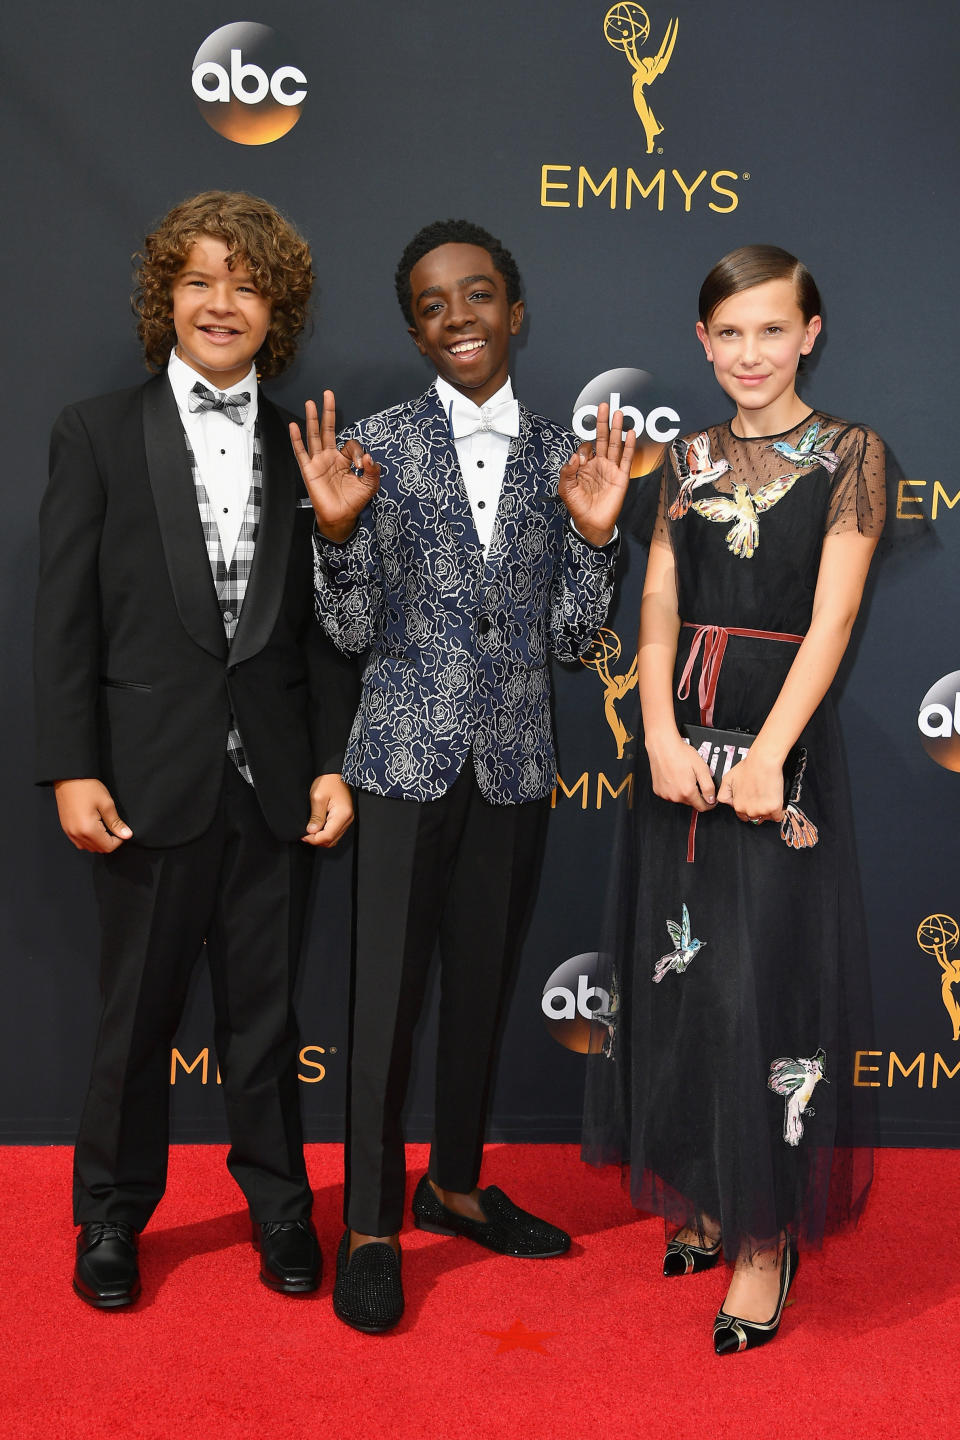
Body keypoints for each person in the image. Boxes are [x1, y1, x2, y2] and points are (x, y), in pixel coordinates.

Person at [290, 218, 635, 1333]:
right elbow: (346, 632)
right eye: (433, 305)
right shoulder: (373, 447)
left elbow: (581, 637)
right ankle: (376, 1227)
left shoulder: (562, 455)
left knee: (482, 992)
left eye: (478, 295)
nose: (459, 318)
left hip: (516, 764)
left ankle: (458, 1184)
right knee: (384, 1002)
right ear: (413, 327)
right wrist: (337, 535)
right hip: (398, 758)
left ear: (516, 310)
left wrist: (593, 539)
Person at [35, 191, 359, 1309]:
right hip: (141, 783)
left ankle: (280, 1207)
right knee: (136, 1018)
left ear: (280, 308)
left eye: (247, 283)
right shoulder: (95, 432)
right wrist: (73, 764)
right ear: (164, 298)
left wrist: (327, 761)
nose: (223, 302)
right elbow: (63, 617)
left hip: (270, 781)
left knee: (266, 1018)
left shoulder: (303, 444)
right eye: (200, 281)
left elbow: (322, 631)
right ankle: (111, 1219)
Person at [583, 244, 886, 1354]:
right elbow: (658, 601)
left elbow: (835, 620)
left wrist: (769, 756)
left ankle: (765, 1241)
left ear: (810, 333)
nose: (750, 352)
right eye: (729, 333)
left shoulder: (853, 454)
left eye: (773, 329)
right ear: (702, 344)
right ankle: (707, 1192)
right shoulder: (688, 459)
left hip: (778, 749)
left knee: (768, 986)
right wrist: (659, 732)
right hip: (677, 748)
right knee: (688, 980)